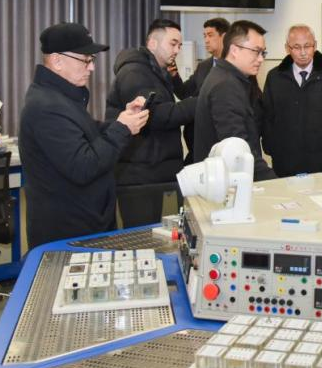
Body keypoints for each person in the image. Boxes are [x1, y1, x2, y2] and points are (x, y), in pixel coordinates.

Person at [19, 22, 149, 249]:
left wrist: (123, 120)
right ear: (57, 61)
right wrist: (121, 128)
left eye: (92, 60)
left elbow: (88, 132)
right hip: (68, 233)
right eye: (86, 60)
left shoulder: (62, 97)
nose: (92, 68)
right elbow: (83, 166)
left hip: (85, 222)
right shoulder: (46, 106)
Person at [105, 18, 197, 227]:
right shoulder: (135, 73)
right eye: (173, 44)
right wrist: (199, 103)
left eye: (179, 45)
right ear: (153, 43)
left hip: (151, 174)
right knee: (142, 237)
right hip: (139, 177)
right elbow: (157, 116)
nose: (177, 50)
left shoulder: (154, 73)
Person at [262, 25, 322, 176]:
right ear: (287, 48)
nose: (303, 52)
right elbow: (267, 117)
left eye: (307, 46)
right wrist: (273, 147)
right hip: (285, 162)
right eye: (296, 47)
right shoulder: (274, 77)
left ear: (315, 46)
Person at [193, 19, 275, 180]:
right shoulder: (225, 85)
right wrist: (277, 184)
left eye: (263, 53)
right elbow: (239, 153)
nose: (261, 59)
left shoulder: (227, 78)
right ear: (235, 50)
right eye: (256, 51)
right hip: (222, 183)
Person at [174, 17, 229, 164]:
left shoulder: (236, 66)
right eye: (204, 36)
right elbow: (184, 92)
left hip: (222, 142)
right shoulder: (204, 66)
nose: (206, 40)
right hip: (196, 141)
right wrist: (173, 74)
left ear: (224, 37)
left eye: (210, 35)